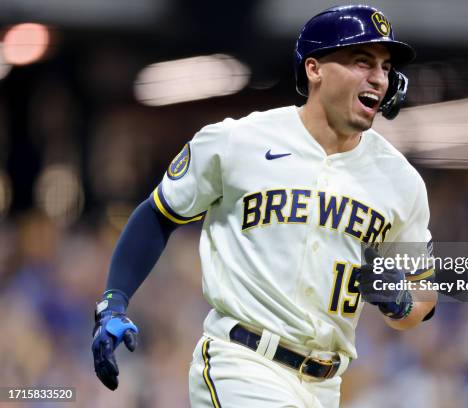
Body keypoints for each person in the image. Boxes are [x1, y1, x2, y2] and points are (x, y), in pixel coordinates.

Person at [92, 4, 437, 407]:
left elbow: (423, 295)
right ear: (315, 69)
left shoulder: (401, 182)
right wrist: (113, 300)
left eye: (384, 67)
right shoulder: (239, 141)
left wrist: (401, 304)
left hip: (325, 386)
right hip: (241, 361)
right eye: (363, 62)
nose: (378, 78)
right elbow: (158, 213)